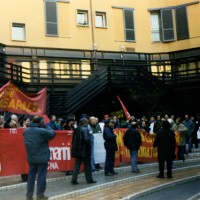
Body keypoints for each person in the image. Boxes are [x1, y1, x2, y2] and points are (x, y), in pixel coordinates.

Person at [24, 116, 56, 200]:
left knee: (31, 177)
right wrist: (47, 126)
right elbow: (52, 134)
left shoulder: (26, 131)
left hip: (31, 157)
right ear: (41, 122)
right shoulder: (42, 131)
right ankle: (40, 195)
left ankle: (29, 195)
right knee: (41, 176)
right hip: (41, 157)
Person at [71, 118, 97, 184]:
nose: (87, 124)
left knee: (77, 165)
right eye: (86, 122)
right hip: (85, 150)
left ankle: (73, 179)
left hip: (77, 150)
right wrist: (90, 136)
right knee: (87, 166)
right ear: (84, 123)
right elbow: (86, 140)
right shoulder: (85, 129)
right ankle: (89, 179)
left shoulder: (76, 129)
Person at [21, 116, 31, 182]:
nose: (29, 122)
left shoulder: (30, 128)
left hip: (28, 148)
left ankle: (27, 175)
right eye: (28, 121)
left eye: (29, 121)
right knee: (23, 162)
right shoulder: (21, 129)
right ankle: (24, 176)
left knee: (28, 162)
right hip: (22, 149)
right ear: (24, 121)